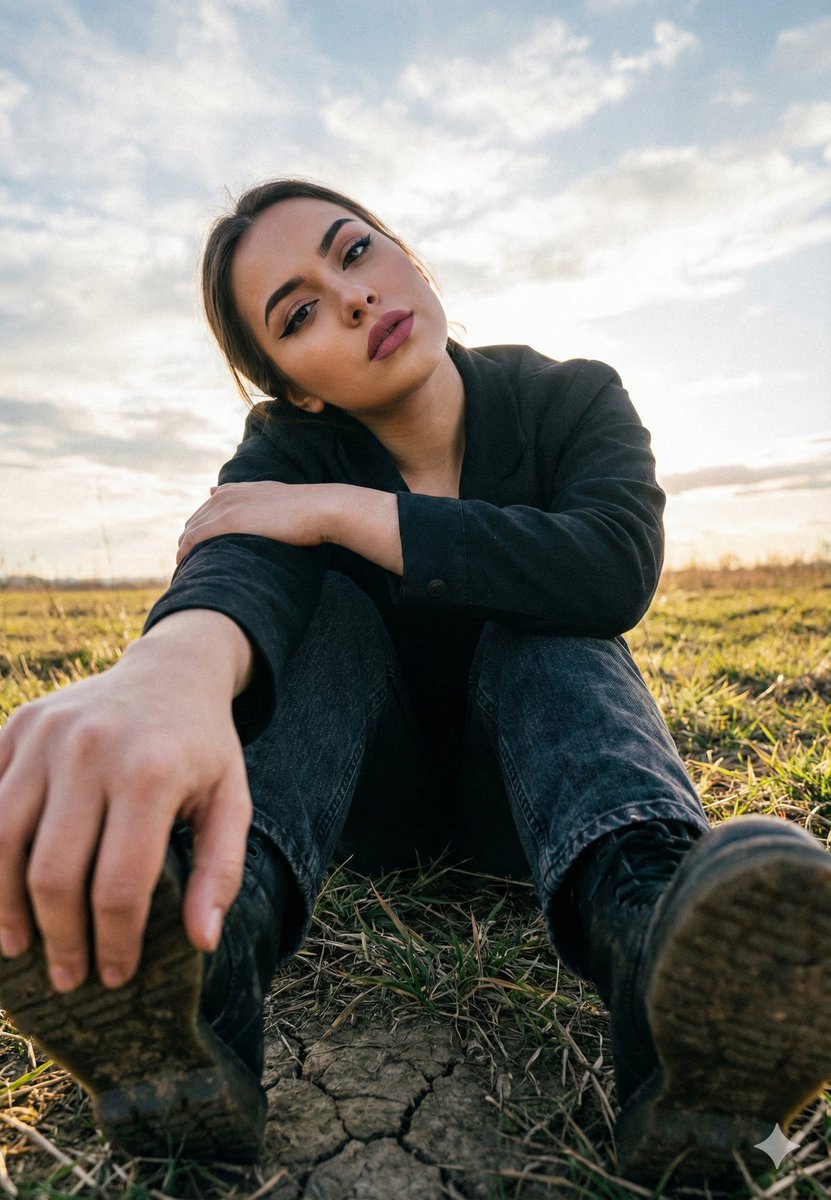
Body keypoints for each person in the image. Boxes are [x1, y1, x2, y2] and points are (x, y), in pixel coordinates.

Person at [0, 178, 829, 1185]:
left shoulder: (572, 397)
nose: (350, 298)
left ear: (407, 258)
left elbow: (612, 562)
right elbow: (237, 564)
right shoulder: (286, 451)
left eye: (355, 253)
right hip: (364, 811)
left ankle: (668, 971)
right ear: (295, 384)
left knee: (549, 623)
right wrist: (167, 670)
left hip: (544, 813)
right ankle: (202, 972)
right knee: (330, 620)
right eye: (299, 312)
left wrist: (345, 514)